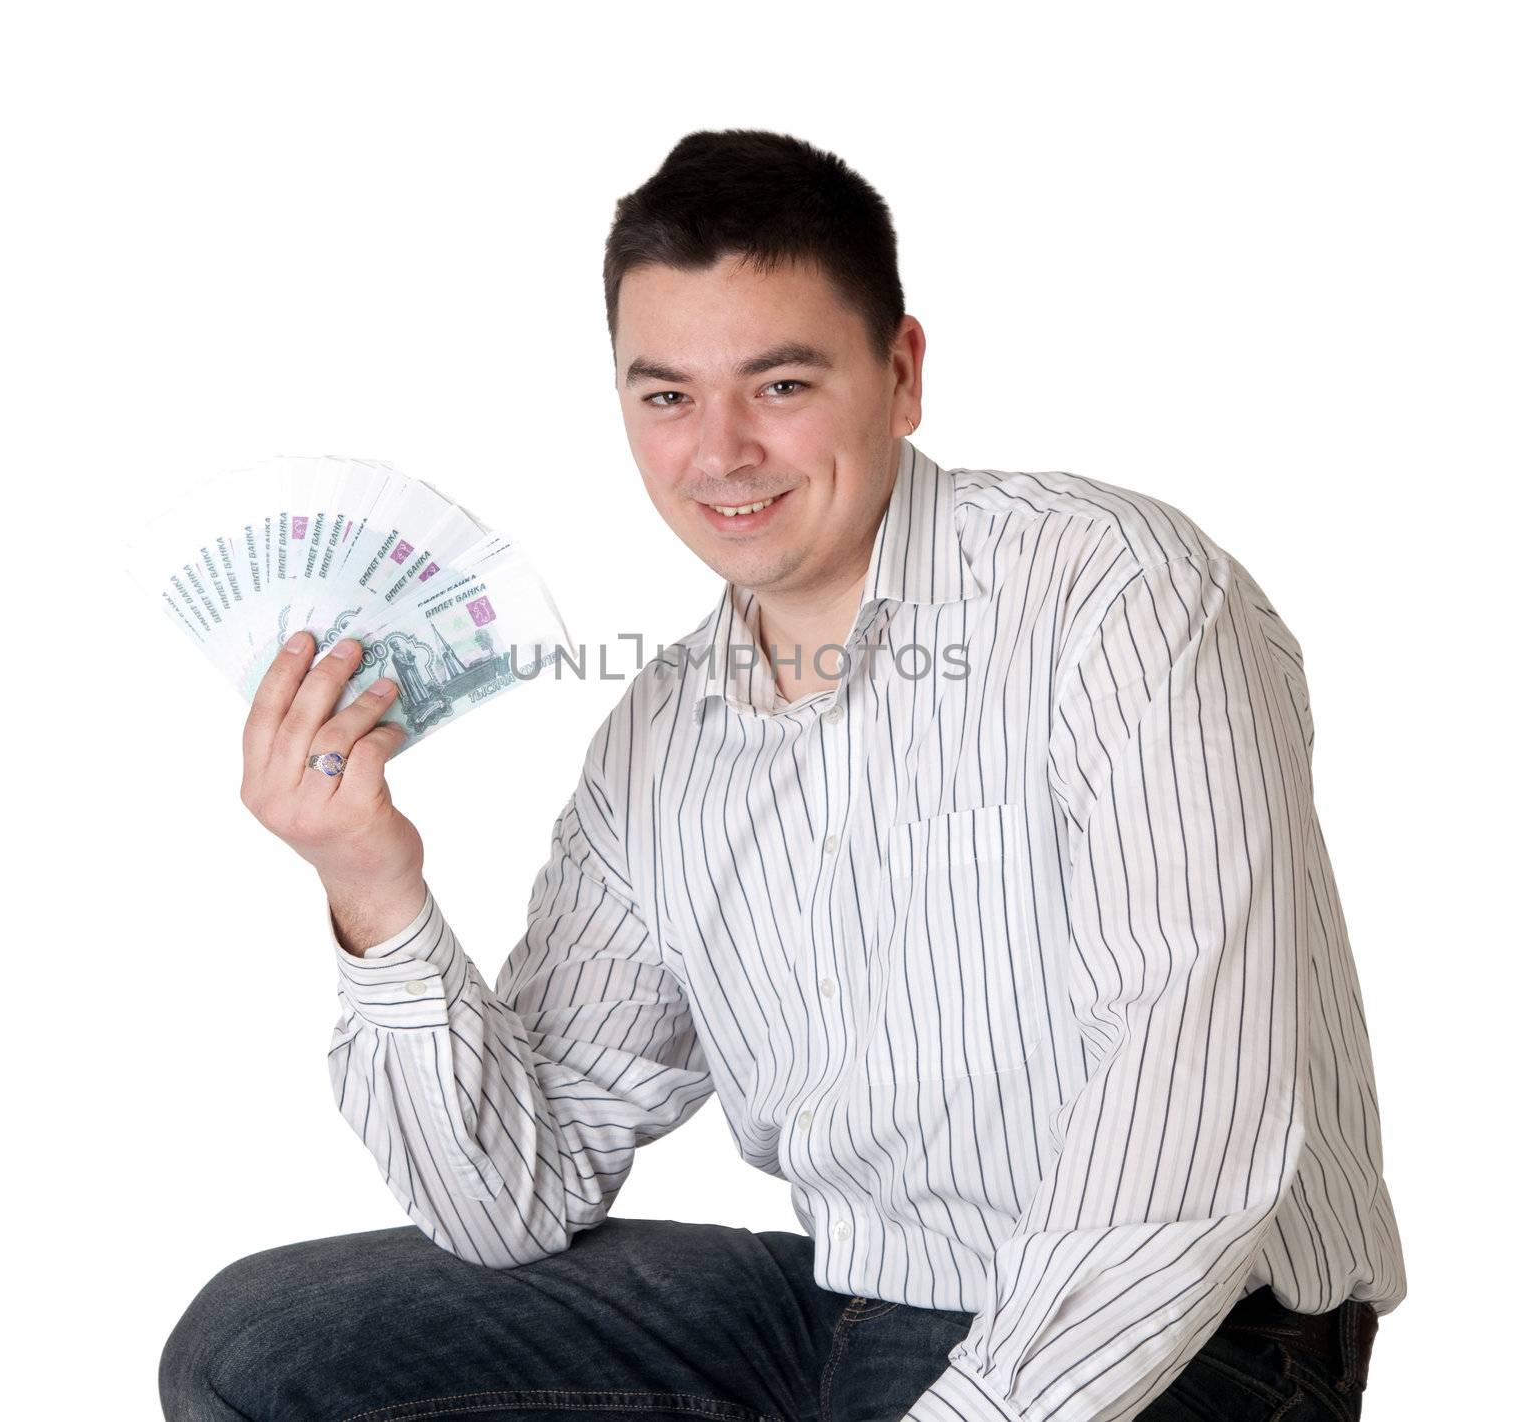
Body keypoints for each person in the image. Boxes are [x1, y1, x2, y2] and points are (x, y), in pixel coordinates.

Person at [160, 129, 1406, 1422]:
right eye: (667, 395)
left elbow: (1187, 1135)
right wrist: (371, 881)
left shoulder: (1116, 594)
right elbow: (511, 1197)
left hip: (1194, 1330)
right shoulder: (660, 743)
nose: (720, 453)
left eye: (782, 384)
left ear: (901, 374)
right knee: (262, 1344)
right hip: (852, 1295)